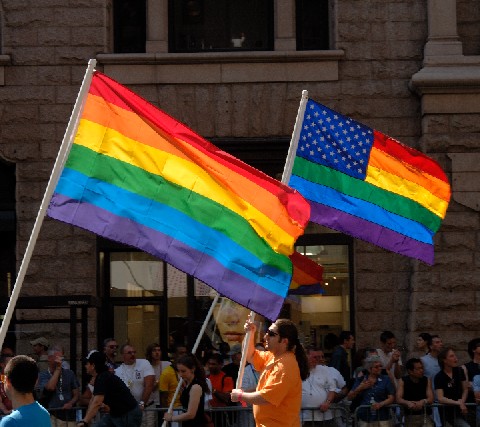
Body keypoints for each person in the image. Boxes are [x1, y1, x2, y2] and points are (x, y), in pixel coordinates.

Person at [230, 318, 310, 427]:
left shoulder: (285, 364)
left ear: (284, 341)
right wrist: (250, 333)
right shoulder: (272, 356)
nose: (265, 337)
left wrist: (241, 396)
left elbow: (266, 397)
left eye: (271, 334)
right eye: (267, 332)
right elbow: (249, 355)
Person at [77, 350, 142, 427]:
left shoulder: (103, 378)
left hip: (127, 414)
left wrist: (85, 421)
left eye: (87, 363)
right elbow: (93, 400)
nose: (85, 366)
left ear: (93, 365)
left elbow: (97, 402)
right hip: (117, 414)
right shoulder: (101, 377)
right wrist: (86, 420)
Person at [0, 355, 51, 427]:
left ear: (8, 381)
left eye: (3, 379)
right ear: (36, 381)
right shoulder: (44, 413)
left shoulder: (9, 422)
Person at [163, 354, 211, 426]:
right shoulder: (187, 385)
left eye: (183, 371)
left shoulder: (195, 387)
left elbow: (191, 414)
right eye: (178, 371)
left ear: (192, 369)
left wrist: (172, 418)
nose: (180, 374)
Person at [347, 355, 395, 427]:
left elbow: (391, 397)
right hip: (365, 417)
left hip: (382, 417)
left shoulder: (386, 379)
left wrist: (380, 404)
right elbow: (349, 397)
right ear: (369, 369)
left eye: (380, 366)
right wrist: (360, 388)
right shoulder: (361, 380)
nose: (379, 368)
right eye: (376, 367)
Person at [115, 344, 155, 427]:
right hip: (129, 411)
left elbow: (149, 385)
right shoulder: (117, 371)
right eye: (129, 353)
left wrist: (142, 404)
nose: (133, 354)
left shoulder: (144, 363)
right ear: (123, 355)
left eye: (134, 352)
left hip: (146, 408)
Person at [38, 346, 80, 426]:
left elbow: (76, 394)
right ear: (50, 358)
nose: (61, 360)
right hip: (51, 416)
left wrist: (71, 403)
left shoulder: (70, 373)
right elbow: (50, 388)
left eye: (62, 357)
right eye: (58, 357)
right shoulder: (43, 375)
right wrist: (57, 369)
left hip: (69, 417)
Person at [434, 347, 469, 427]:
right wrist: (458, 403)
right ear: (444, 360)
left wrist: (462, 402)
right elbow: (440, 398)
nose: (455, 358)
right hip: (446, 412)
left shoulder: (460, 371)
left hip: (461, 410)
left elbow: (465, 389)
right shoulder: (439, 377)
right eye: (451, 356)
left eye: (455, 355)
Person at [302, 346, 336, 426]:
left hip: (324, 416)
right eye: (315, 357)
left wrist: (327, 403)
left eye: (321, 357)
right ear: (306, 356)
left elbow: (332, 389)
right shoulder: (297, 370)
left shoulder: (324, 370)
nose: (319, 360)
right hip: (304, 416)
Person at [396, 358, 434, 426]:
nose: (421, 370)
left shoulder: (427, 380)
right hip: (410, 416)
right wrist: (407, 403)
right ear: (410, 371)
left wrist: (423, 401)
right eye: (418, 369)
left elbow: (430, 398)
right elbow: (398, 398)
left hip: (425, 415)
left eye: (422, 368)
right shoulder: (403, 381)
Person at [421, 334, 443, 427]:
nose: (441, 344)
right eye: (437, 342)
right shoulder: (423, 360)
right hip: (430, 402)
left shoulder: (443, 360)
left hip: (443, 400)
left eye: (441, 342)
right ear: (430, 346)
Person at [145, 343, 170, 424]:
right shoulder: (146, 366)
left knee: (164, 423)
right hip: (151, 402)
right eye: (154, 350)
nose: (157, 353)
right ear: (150, 353)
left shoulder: (167, 364)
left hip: (165, 401)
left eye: (159, 350)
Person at [159, 345, 186, 409]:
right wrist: (166, 414)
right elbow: (163, 397)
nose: (184, 355)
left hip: (187, 407)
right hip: (174, 409)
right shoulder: (167, 373)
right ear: (174, 355)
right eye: (181, 353)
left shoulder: (189, 371)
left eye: (185, 353)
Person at [461, 337, 480, 425]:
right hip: (472, 407)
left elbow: (471, 385)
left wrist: (474, 385)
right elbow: (466, 386)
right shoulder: (465, 367)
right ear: (473, 350)